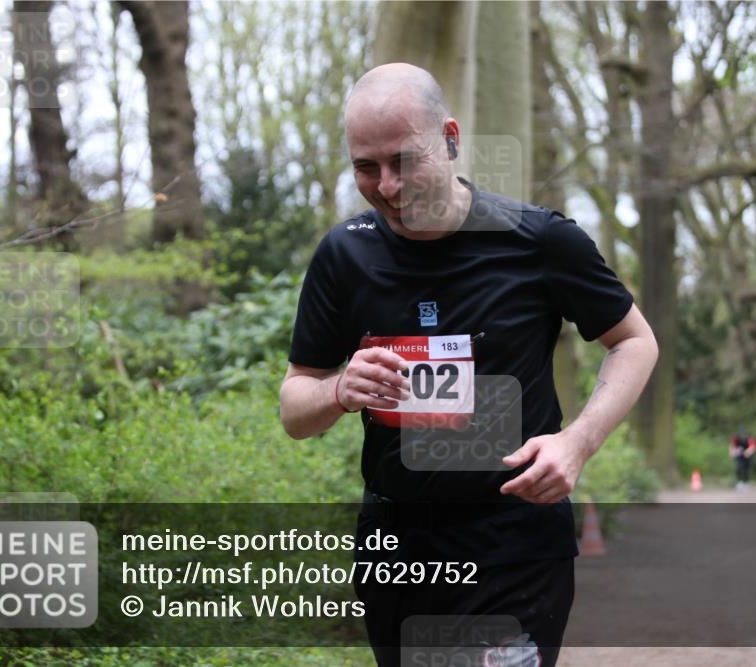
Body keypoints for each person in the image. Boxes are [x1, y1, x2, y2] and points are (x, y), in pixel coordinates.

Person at [279, 63, 658, 666]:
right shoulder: (344, 254)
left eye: (405, 161)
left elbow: (635, 341)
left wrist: (578, 443)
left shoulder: (538, 241)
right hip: (394, 544)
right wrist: (338, 391)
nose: (387, 187)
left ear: (451, 139)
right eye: (365, 167)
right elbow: (295, 408)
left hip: (513, 535)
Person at [729, 427, 756, 492]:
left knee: (746, 470)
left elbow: (753, 446)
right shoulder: (736, 438)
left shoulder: (749, 438)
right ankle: (739, 482)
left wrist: (748, 452)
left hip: (747, 456)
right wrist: (732, 452)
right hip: (739, 456)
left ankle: (746, 483)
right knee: (739, 468)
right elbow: (732, 446)